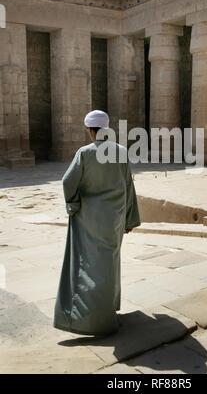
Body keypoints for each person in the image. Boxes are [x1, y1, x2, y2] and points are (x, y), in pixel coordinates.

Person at [53, 110, 141, 336]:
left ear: (91, 130)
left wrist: (73, 206)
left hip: (88, 220)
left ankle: (90, 321)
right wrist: (130, 219)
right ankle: (108, 312)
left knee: (88, 266)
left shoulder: (85, 153)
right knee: (109, 265)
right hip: (114, 220)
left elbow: (67, 181)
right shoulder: (121, 151)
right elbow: (128, 186)